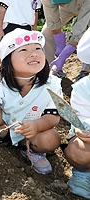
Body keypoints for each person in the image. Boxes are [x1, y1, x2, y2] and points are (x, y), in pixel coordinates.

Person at [0, 29, 62, 174]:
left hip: (33, 132)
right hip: (7, 124)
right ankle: (1, 133)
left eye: (38, 48)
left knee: (52, 139)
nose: (33, 53)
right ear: (8, 60)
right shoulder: (1, 83)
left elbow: (53, 117)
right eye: (24, 49)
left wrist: (36, 125)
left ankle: (30, 149)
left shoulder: (53, 84)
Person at [63, 26, 90, 199]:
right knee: (80, 151)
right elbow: (82, 118)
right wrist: (83, 129)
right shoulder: (82, 88)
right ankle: (83, 175)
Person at [41, 0, 90, 79]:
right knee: (46, 33)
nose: (60, 4)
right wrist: (60, 45)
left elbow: (77, 33)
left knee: (88, 38)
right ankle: (51, 69)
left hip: (87, 4)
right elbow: (53, 23)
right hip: (67, 8)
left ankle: (85, 72)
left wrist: (63, 57)